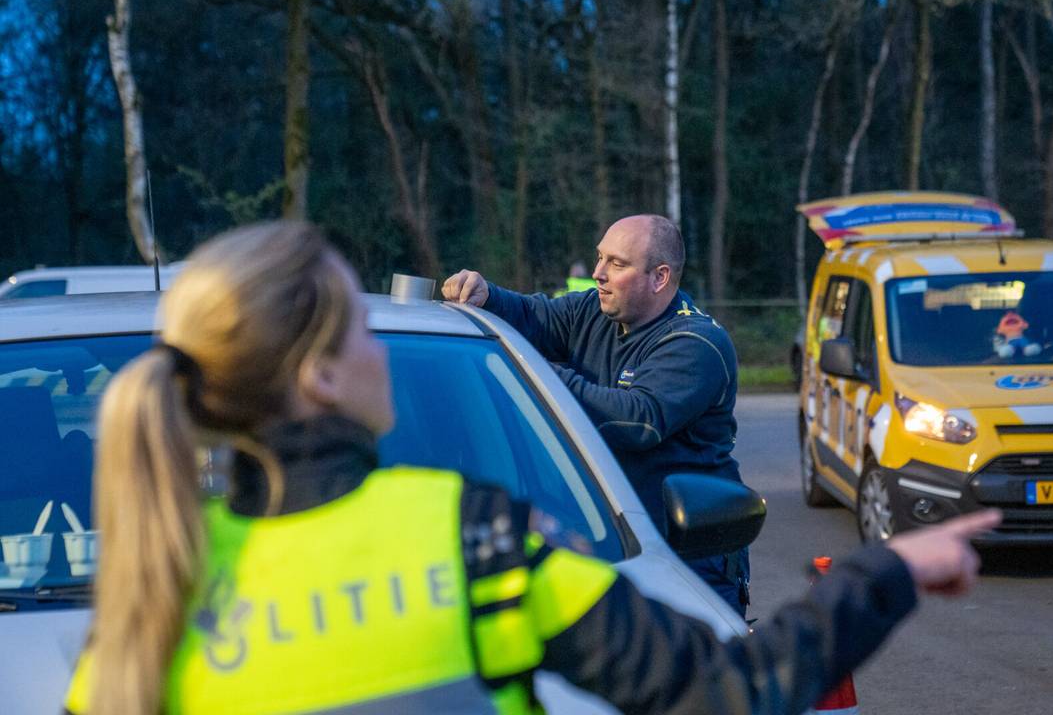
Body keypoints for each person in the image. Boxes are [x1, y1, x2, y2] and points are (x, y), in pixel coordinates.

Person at [63, 220, 1001, 715]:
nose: (387, 349)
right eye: (363, 328)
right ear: (320, 375)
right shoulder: (468, 538)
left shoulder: (142, 612)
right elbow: (728, 692)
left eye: (614, 264)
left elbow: (623, 408)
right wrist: (883, 575)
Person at [442, 214, 752, 614]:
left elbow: (639, 421)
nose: (597, 274)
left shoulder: (697, 343)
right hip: (609, 541)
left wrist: (532, 372)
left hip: (687, 560)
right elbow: (530, 316)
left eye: (616, 264)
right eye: (599, 258)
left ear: (659, 278)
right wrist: (486, 296)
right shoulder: (592, 310)